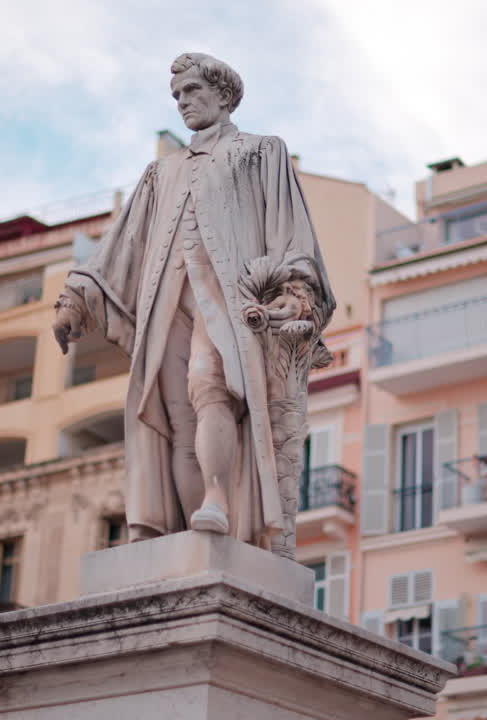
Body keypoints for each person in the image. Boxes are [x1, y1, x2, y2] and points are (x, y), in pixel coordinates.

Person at [53, 52, 333, 549]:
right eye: (177, 95)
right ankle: (185, 531)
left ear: (223, 95)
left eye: (192, 91)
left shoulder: (260, 152)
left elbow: (289, 229)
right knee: (176, 416)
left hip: (226, 298)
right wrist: (75, 299)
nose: (182, 102)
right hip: (166, 301)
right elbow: (122, 243)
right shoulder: (160, 173)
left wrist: (295, 289)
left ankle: (218, 499)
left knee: (210, 386)